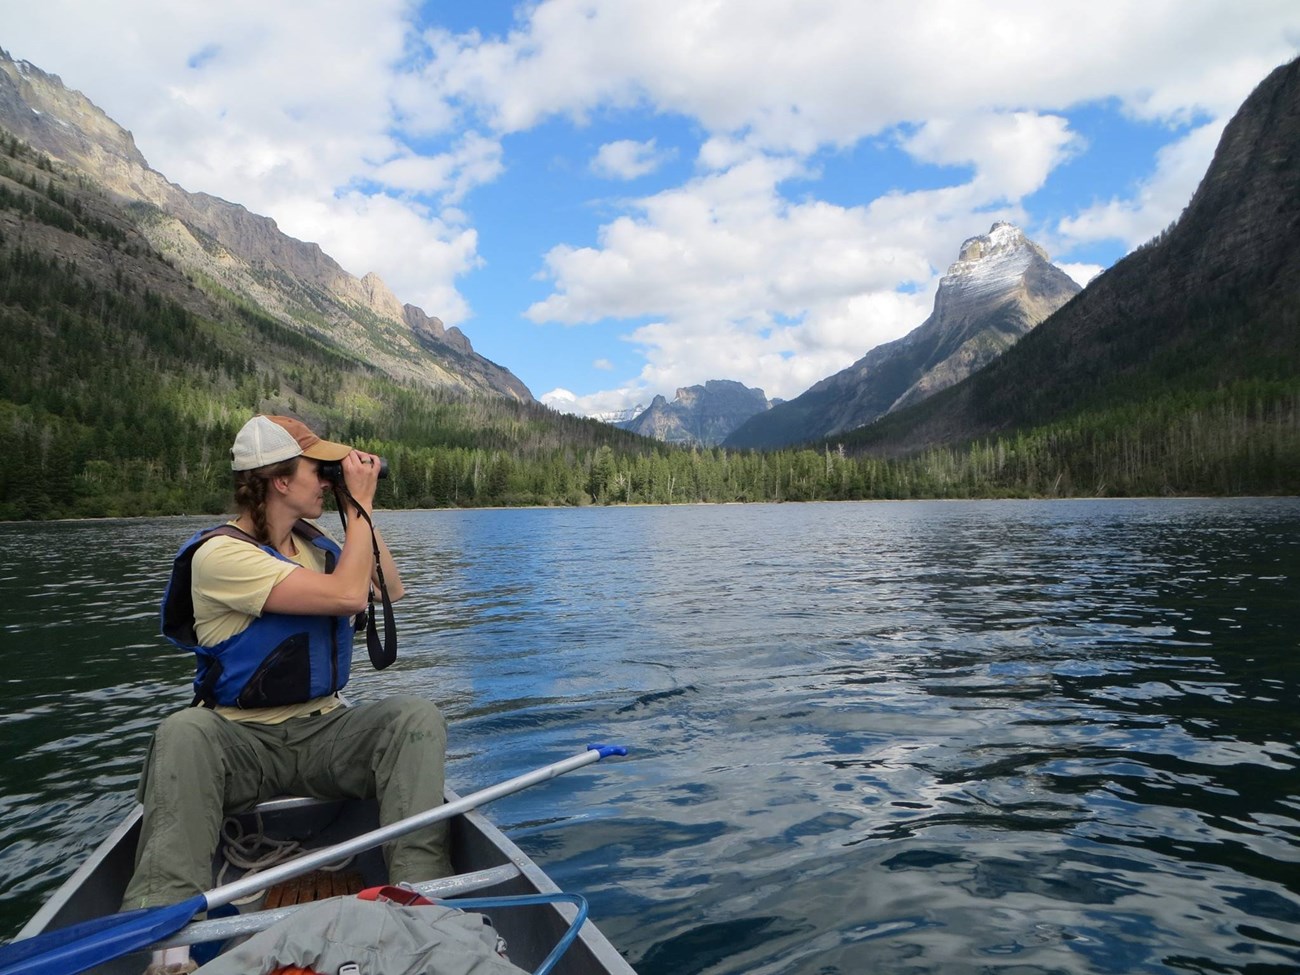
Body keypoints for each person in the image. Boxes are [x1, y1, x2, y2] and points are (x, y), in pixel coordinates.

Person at [126, 415, 450, 975]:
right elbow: (350, 597)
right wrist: (360, 506)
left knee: (412, 718)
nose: (327, 481)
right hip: (239, 744)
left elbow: (388, 590)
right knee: (182, 732)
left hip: (322, 733)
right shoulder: (220, 557)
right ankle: (168, 938)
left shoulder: (316, 547)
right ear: (278, 479)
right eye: (317, 470)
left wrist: (357, 511)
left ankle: (420, 900)